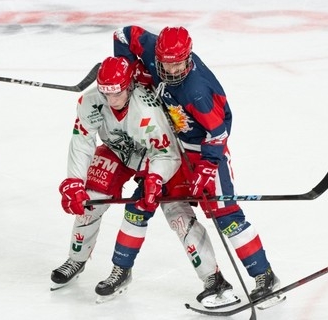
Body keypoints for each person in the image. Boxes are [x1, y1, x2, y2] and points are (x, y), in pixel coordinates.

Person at [112, 25, 283, 306]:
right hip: (168, 145)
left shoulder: (198, 91)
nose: (172, 68)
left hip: (202, 148)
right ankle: (212, 280)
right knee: (151, 205)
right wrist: (130, 71)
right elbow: (122, 35)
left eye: (178, 62)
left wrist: (206, 167)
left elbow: (218, 133)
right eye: (166, 62)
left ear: (188, 56)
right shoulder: (153, 48)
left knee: (224, 215)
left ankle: (265, 276)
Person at [51, 56, 240, 309]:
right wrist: (74, 180)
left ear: (129, 86)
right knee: (89, 199)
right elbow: (82, 141)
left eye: (116, 93)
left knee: (176, 214)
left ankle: (213, 280)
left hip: (158, 157)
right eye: (105, 93)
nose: (111, 100)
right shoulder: (90, 101)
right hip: (117, 150)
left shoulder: (147, 109)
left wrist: (155, 178)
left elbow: (168, 153)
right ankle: (77, 258)